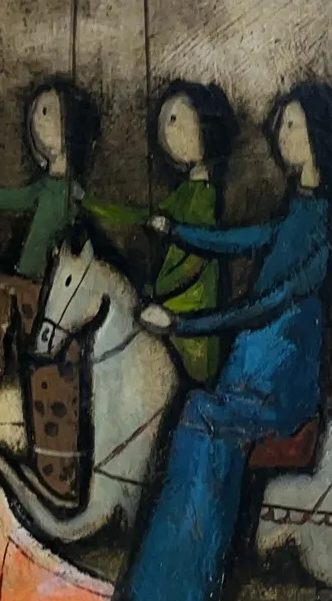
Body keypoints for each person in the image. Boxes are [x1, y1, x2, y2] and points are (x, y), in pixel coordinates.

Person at [104, 82, 332, 601]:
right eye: (284, 125)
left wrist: (183, 324)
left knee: (207, 431)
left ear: (320, 140)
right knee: (194, 413)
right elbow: (244, 240)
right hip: (250, 376)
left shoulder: (319, 228)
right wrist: (181, 230)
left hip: (277, 390)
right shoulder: (298, 211)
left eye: (294, 126)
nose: (283, 136)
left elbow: (263, 305)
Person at [87, 80, 236, 383]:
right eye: (166, 120)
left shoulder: (204, 197)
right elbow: (140, 217)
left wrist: (156, 292)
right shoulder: (185, 193)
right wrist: (91, 205)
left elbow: (195, 262)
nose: (166, 131)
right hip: (168, 305)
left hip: (191, 321)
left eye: (175, 119)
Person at [0, 76, 101, 284]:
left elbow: (101, 216)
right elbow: (0, 197)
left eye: (46, 111)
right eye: (37, 112)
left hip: (54, 286)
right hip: (27, 280)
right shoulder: (43, 188)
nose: (38, 121)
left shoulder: (73, 194)